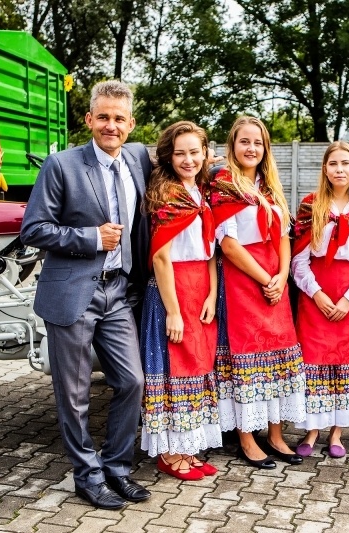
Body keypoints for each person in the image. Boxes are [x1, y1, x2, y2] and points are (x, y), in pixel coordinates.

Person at [21, 80, 152, 509]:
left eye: (119, 118)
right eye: (103, 117)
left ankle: (116, 468)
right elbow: (34, 229)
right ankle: (87, 474)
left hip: (119, 293)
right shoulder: (61, 165)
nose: (110, 125)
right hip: (74, 294)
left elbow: (189, 158)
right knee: (74, 396)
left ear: (131, 124)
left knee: (132, 381)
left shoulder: (137, 159)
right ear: (89, 119)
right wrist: (91, 237)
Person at [211, 116, 305, 469]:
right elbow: (230, 245)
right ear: (232, 146)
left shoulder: (270, 186)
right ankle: (248, 440)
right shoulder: (223, 184)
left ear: (266, 148)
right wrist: (266, 277)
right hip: (243, 280)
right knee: (247, 358)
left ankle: (276, 435)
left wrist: (282, 276)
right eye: (244, 142)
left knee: (279, 357)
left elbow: (283, 236)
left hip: (275, 281)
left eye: (258, 142)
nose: (251, 148)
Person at [141, 121, 221, 480]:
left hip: (200, 287)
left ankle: (188, 446)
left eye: (194, 152)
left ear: (205, 153)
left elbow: (209, 253)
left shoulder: (201, 192)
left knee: (198, 366)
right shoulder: (170, 195)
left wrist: (212, 293)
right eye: (180, 153)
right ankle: (170, 452)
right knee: (175, 370)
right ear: (168, 157)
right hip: (172, 288)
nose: (188, 159)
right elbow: (160, 256)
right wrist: (172, 311)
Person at [291, 141, 349, 458]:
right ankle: (312, 430)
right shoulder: (309, 205)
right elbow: (298, 259)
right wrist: (316, 293)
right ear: (325, 169)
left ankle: (337, 431)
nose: (339, 169)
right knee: (314, 361)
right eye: (333, 164)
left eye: (345, 163)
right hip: (316, 294)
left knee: (344, 363)